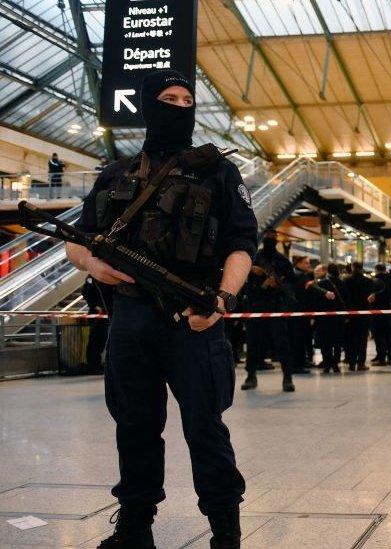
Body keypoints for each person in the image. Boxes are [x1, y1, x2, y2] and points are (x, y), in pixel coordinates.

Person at [66, 69, 255, 548]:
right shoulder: (117, 173)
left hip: (193, 317)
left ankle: (225, 533)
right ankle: (134, 527)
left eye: (188, 98)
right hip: (131, 318)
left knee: (205, 428)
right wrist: (95, 266)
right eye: (169, 98)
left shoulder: (218, 171)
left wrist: (222, 299)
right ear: (150, 106)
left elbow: (242, 243)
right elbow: (79, 240)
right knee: (133, 426)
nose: (180, 105)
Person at [241, 231, 298, 391]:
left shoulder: (282, 261)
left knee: (282, 344)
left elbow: (293, 284)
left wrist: (278, 285)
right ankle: (250, 375)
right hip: (256, 305)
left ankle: (287, 377)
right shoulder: (254, 258)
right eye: (268, 237)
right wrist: (251, 270)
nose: (269, 240)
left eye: (272, 238)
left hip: (275, 306)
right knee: (253, 343)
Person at [344, 262, 374, 371]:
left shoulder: (347, 281)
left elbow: (345, 298)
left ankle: (351, 363)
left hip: (351, 314)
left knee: (351, 339)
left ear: (352, 268)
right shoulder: (369, 281)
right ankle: (361, 363)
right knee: (362, 339)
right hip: (365, 314)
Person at [80, 275, 111, 374]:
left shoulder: (101, 279)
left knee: (101, 340)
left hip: (103, 313)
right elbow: (86, 292)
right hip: (96, 314)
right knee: (95, 340)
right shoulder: (91, 279)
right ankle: (93, 364)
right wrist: (94, 305)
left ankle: (96, 364)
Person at [289, 255, 314, 374]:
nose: (308, 265)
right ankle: (298, 364)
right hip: (300, 312)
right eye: (306, 263)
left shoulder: (296, 275)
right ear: (298, 263)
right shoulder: (300, 276)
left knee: (300, 339)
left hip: (298, 312)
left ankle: (301, 361)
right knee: (299, 339)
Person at [369, 264, 391, 365]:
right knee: (389, 336)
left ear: (376, 270)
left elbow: (371, 297)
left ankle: (381, 358)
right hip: (390, 312)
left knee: (379, 337)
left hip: (377, 312)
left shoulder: (374, 281)